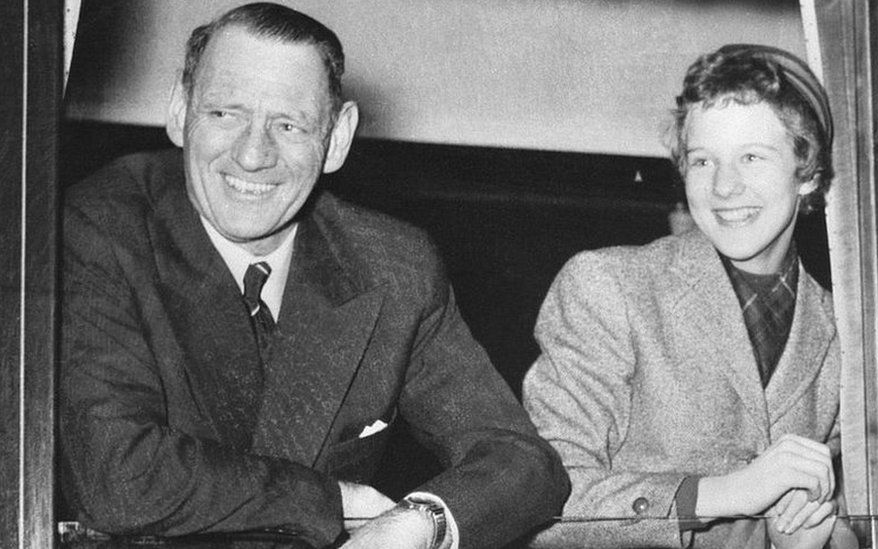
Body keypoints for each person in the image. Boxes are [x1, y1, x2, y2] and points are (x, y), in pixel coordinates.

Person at [58, 3, 569, 548]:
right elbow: (116, 475)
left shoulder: (392, 264)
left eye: (288, 124)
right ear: (181, 113)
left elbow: (521, 460)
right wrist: (337, 500)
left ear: (338, 137)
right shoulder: (100, 228)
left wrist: (422, 522)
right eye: (225, 114)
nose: (254, 155)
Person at [523, 44, 858, 548]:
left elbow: (857, 519)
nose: (724, 186)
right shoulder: (608, 287)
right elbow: (541, 501)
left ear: (807, 173)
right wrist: (724, 494)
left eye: (751, 156)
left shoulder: (849, 335)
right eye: (703, 160)